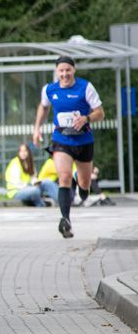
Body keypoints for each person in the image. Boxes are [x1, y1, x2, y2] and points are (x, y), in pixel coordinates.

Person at [32, 55, 105, 238]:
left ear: (74, 70)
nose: (64, 74)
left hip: (84, 141)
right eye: (61, 70)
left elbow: (100, 113)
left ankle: (83, 190)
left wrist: (86, 118)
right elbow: (44, 107)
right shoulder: (50, 89)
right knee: (63, 176)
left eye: (68, 70)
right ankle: (65, 220)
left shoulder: (85, 87)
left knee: (84, 183)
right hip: (61, 140)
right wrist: (37, 129)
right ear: (57, 72)